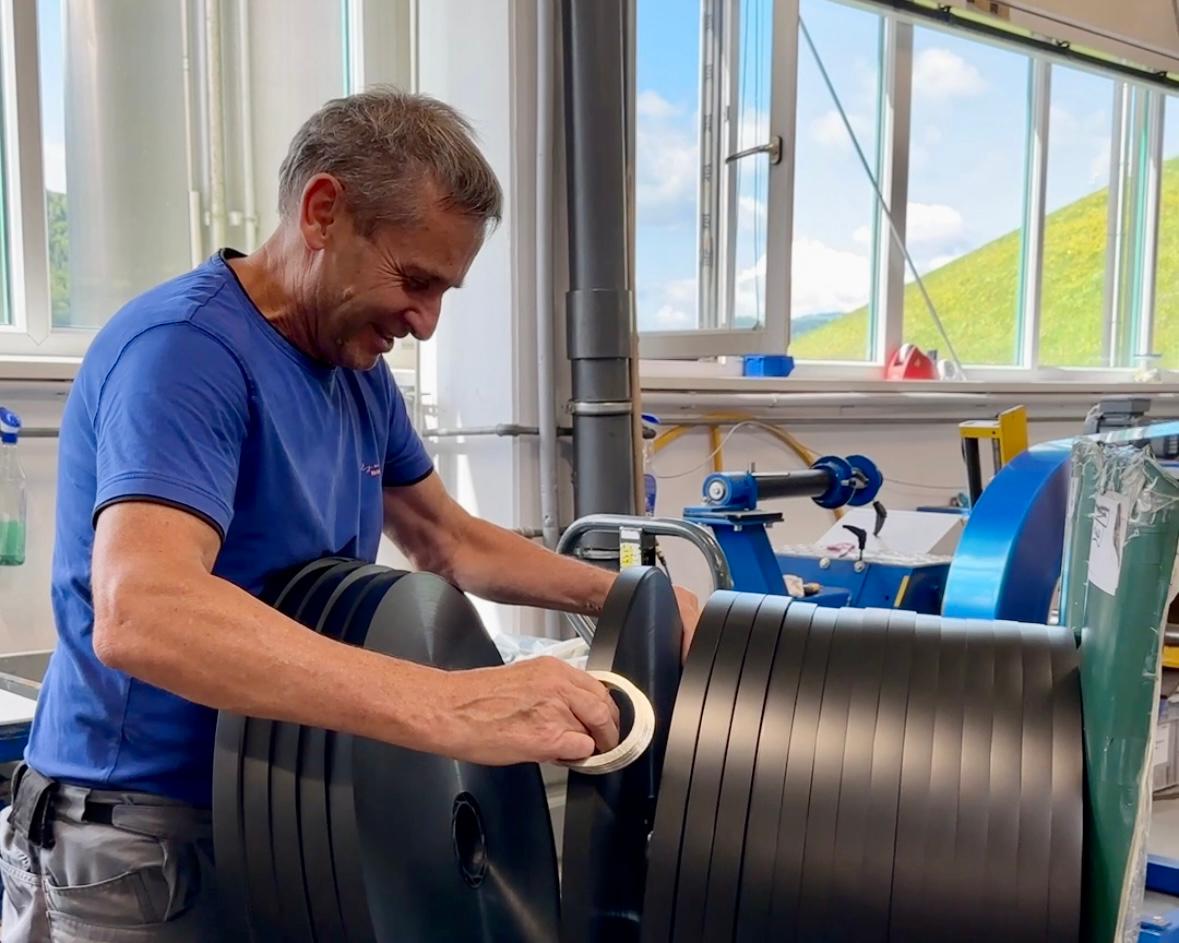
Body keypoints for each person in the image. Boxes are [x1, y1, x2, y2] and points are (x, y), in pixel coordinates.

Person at [0, 88, 700, 941]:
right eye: (415, 281)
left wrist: (627, 598)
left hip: (280, 810)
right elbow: (142, 612)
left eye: (445, 291)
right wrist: (452, 705)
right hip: (141, 849)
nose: (427, 323)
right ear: (323, 212)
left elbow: (448, 537)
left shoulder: (356, 372)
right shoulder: (186, 353)